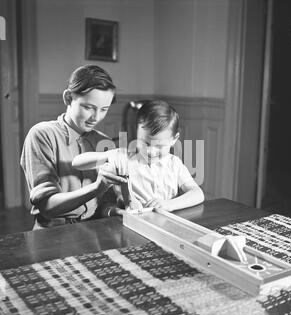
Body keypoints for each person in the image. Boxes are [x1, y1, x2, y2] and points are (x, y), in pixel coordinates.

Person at [20, 65, 127, 229]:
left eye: (104, 109)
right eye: (88, 107)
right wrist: (96, 188)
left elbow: (105, 204)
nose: (96, 117)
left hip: (94, 230)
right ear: (68, 98)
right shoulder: (41, 134)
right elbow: (47, 207)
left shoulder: (104, 142)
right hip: (52, 233)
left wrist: (113, 211)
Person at [72, 100, 205, 215]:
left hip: (166, 224)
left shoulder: (174, 164)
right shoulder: (124, 157)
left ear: (174, 139)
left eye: (159, 146)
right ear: (137, 134)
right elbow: (77, 163)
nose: (151, 151)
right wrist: (107, 155)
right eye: (145, 143)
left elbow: (197, 194)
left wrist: (169, 204)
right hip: (131, 224)